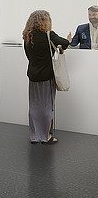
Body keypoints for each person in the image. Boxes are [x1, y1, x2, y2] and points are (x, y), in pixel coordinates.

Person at [23, 10, 70, 144]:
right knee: (47, 106)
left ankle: (34, 136)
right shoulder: (49, 35)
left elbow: (28, 56)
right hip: (47, 76)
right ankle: (46, 137)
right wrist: (68, 39)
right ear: (45, 21)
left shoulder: (27, 36)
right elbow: (65, 44)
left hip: (32, 75)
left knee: (34, 106)